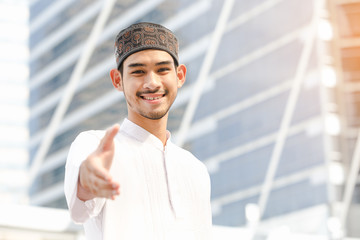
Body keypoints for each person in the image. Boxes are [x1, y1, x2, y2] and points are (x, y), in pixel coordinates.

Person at [64, 22, 212, 240]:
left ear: (180, 76)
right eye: (138, 72)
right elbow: (80, 208)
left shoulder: (196, 170)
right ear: (118, 80)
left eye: (162, 70)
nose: (152, 83)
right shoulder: (94, 145)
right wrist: (88, 180)